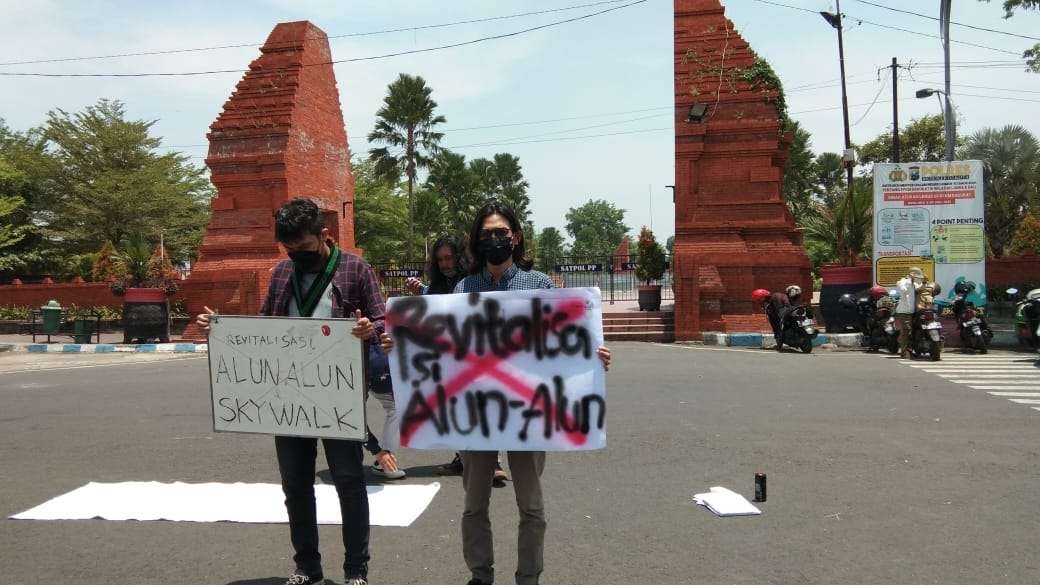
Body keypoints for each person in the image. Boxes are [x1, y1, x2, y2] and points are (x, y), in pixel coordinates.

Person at [381, 200, 611, 585]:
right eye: (486, 234)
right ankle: (480, 575)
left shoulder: (537, 284)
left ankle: (528, 577)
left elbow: (560, 341)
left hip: (528, 413)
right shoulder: (464, 287)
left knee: (531, 506)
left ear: (515, 237)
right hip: (477, 412)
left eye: (501, 233)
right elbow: (443, 344)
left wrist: (593, 356)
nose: (494, 239)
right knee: (474, 505)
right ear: (476, 240)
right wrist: (401, 347)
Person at [196, 197, 394, 585]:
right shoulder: (283, 271)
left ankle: (356, 569)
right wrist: (219, 329)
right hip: (287, 397)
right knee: (296, 485)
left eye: (302, 248)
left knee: (350, 483)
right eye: (288, 249)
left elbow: (382, 319)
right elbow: (266, 326)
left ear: (324, 235)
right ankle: (307, 565)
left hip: (338, 395)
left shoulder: (356, 268)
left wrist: (371, 330)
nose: (296, 256)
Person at [407, 234, 509, 486]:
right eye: (440, 259)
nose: (444, 263)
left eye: (449, 257)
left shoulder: (472, 282)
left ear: (460, 257)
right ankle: (463, 459)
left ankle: (493, 461)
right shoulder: (438, 285)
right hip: (450, 360)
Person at [895, 267, 923, 359]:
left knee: (915, 330)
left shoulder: (914, 283)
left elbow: (921, 289)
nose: (918, 278)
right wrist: (909, 281)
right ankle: (904, 353)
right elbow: (903, 290)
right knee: (907, 331)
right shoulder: (903, 281)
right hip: (904, 311)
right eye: (916, 277)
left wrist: (925, 283)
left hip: (913, 311)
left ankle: (911, 350)